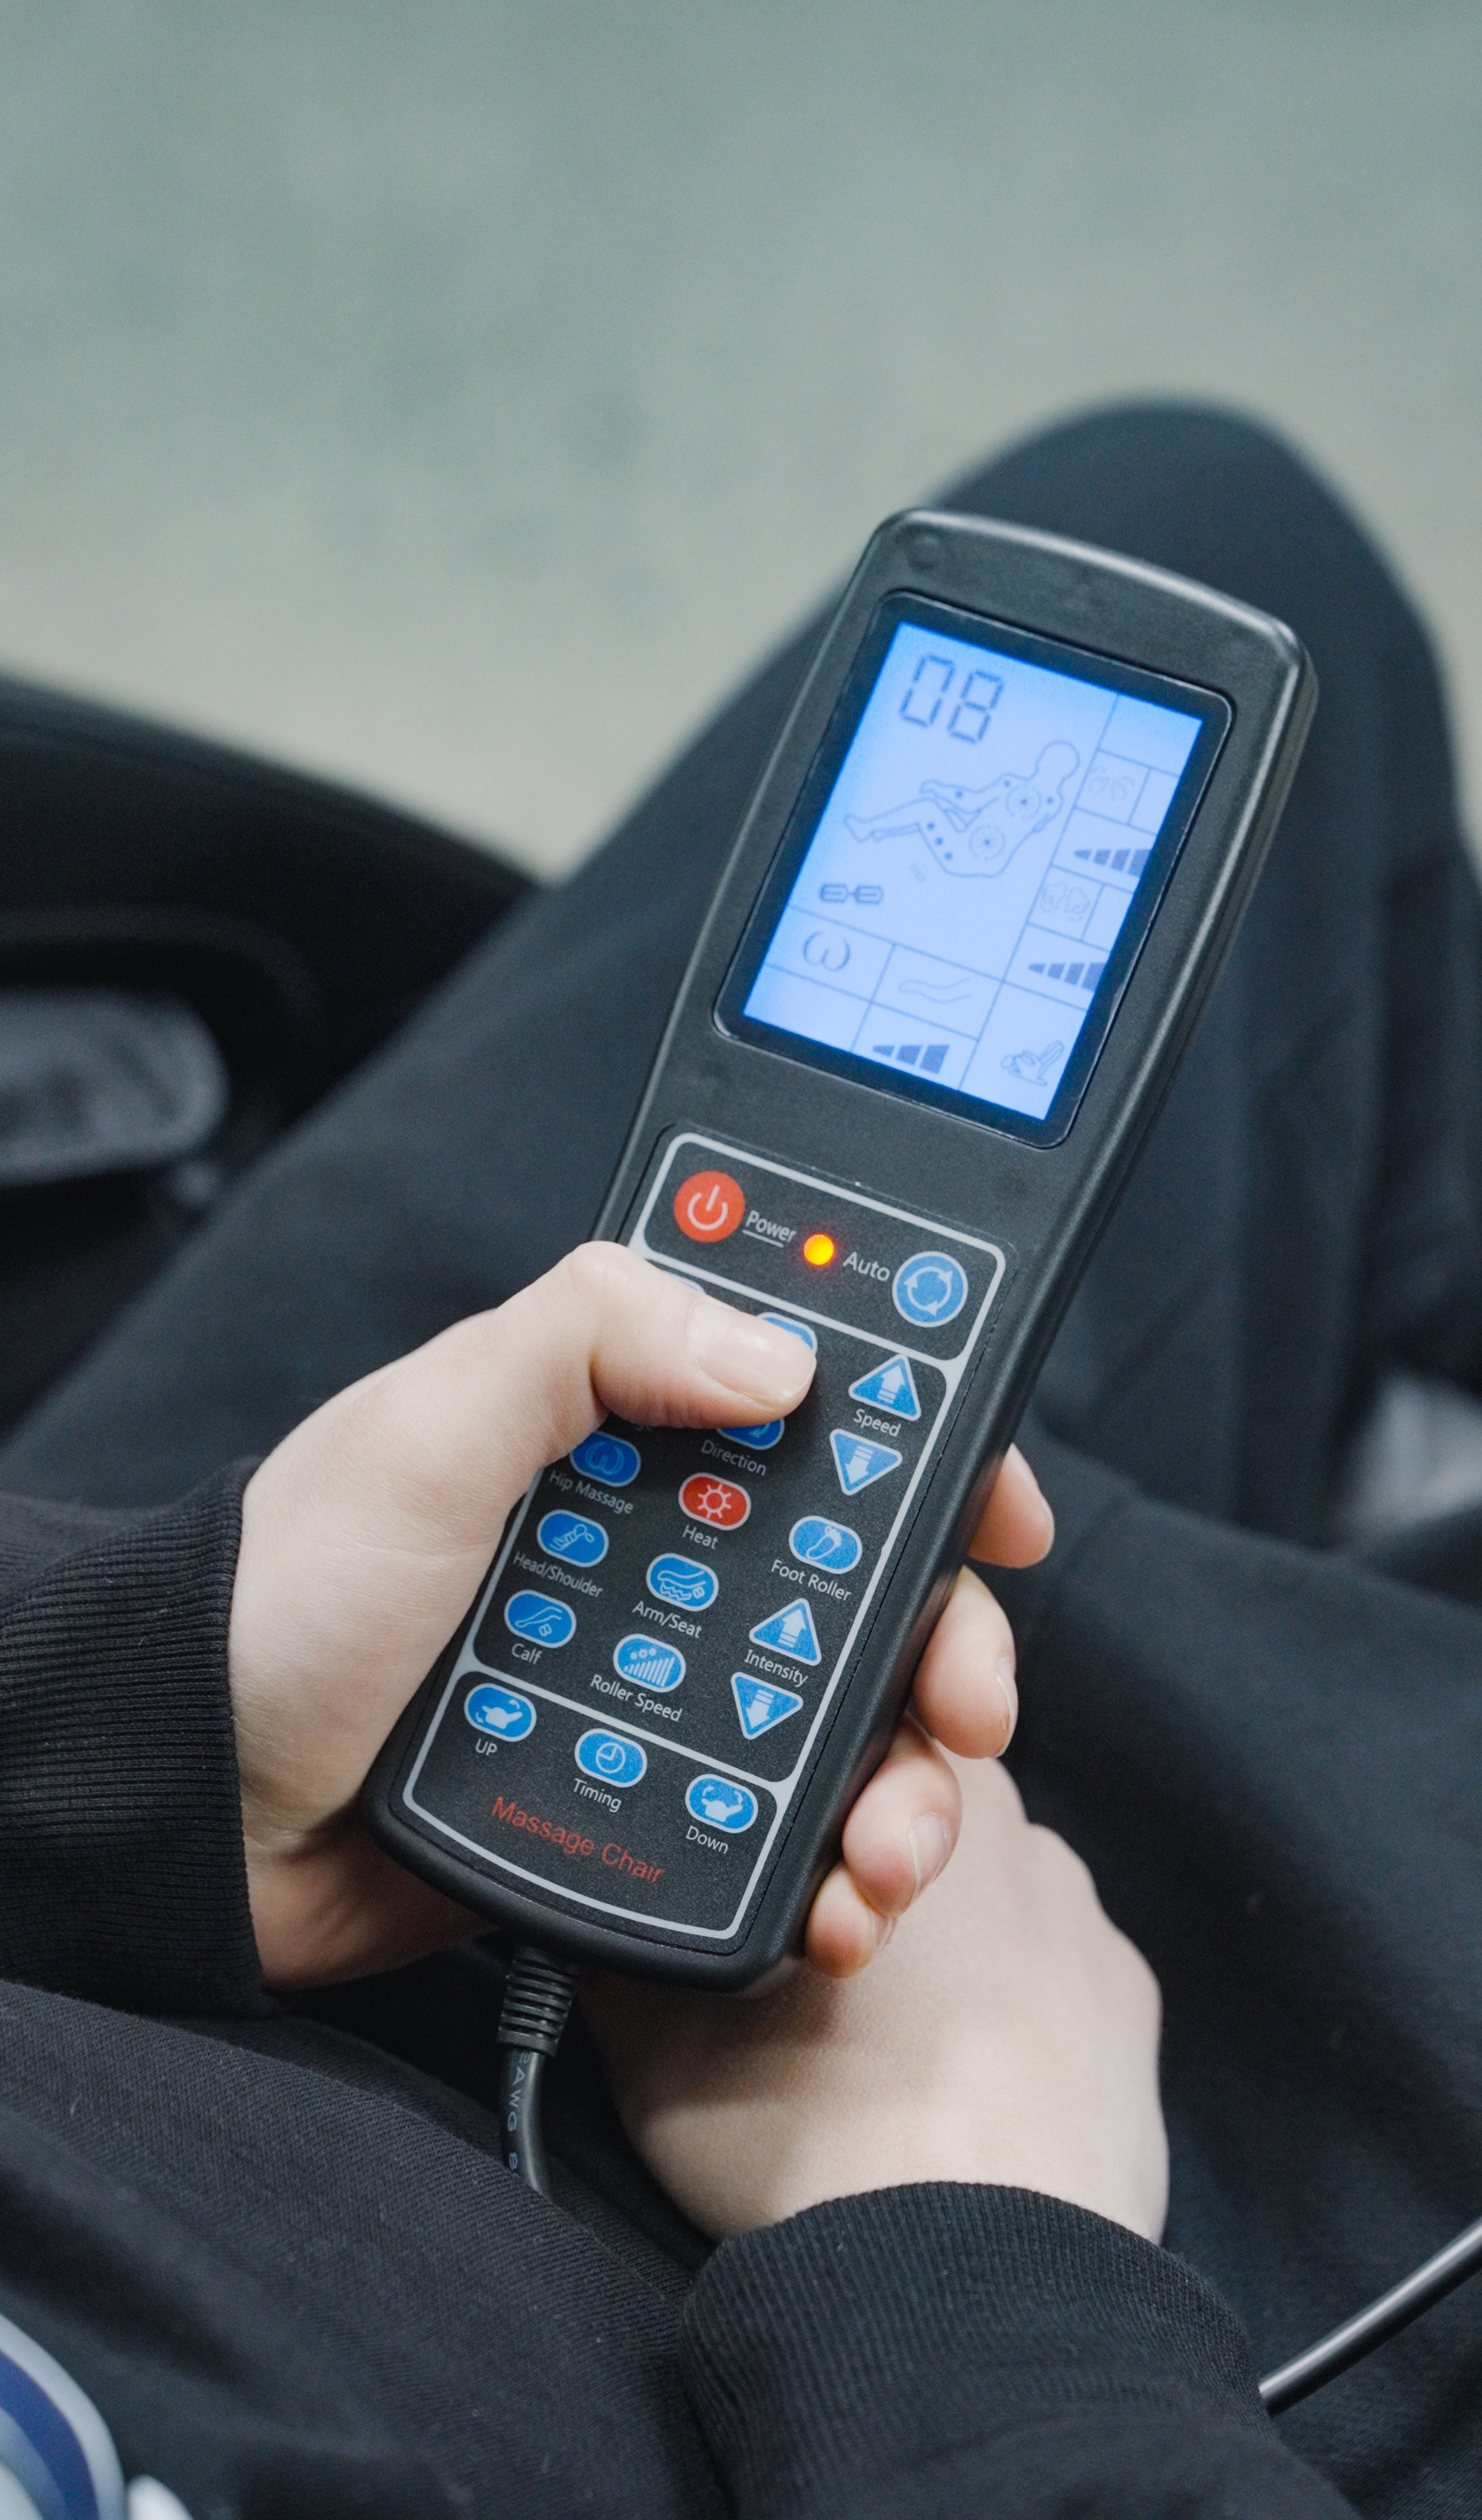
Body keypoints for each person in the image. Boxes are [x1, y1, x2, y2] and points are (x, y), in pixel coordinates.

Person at [1, 402, 1480, 2519]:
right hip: (895, 2356)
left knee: (1182, 518)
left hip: (199, 1838)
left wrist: (131, 1706)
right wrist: (968, 2262)